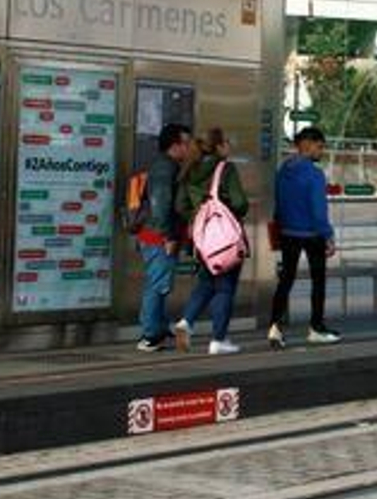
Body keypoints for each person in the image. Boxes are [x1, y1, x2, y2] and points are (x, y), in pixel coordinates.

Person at [172, 128, 249, 355]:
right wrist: (226, 215)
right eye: (227, 141)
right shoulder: (226, 168)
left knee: (206, 282)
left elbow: (179, 206)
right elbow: (240, 202)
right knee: (225, 288)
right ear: (218, 146)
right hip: (225, 240)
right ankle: (218, 339)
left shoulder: (189, 169)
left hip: (202, 240)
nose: (229, 145)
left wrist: (198, 217)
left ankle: (186, 322)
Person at [268, 126, 340, 348]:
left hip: (288, 232)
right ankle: (316, 327)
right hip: (311, 234)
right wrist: (328, 236)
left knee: (286, 280)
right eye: (319, 147)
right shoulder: (314, 174)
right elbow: (318, 211)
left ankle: (275, 327)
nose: (321, 152)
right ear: (307, 145)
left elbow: (278, 203)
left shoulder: (284, 169)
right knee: (318, 281)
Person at [136, 122, 191, 351]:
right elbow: (161, 205)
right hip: (158, 236)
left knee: (158, 282)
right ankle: (149, 335)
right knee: (157, 284)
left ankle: (157, 327)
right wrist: (168, 237)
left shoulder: (167, 166)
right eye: (185, 143)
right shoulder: (165, 168)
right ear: (174, 145)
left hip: (157, 235)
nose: (188, 148)